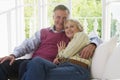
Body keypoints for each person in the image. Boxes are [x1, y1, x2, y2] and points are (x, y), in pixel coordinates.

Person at [0, 4, 102, 80]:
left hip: (50, 65)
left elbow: (91, 36)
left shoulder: (70, 34)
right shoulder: (43, 32)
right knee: (3, 65)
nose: (61, 21)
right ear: (53, 17)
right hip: (31, 62)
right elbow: (27, 44)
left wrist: (93, 44)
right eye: (58, 17)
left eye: (64, 18)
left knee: (34, 66)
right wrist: (13, 54)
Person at [21, 19, 91, 80]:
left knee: (37, 73)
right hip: (64, 66)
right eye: (66, 28)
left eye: (72, 26)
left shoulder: (81, 35)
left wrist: (60, 52)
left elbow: (66, 54)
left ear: (79, 28)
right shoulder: (70, 42)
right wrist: (59, 58)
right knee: (36, 61)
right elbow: (62, 57)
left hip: (78, 70)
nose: (68, 29)